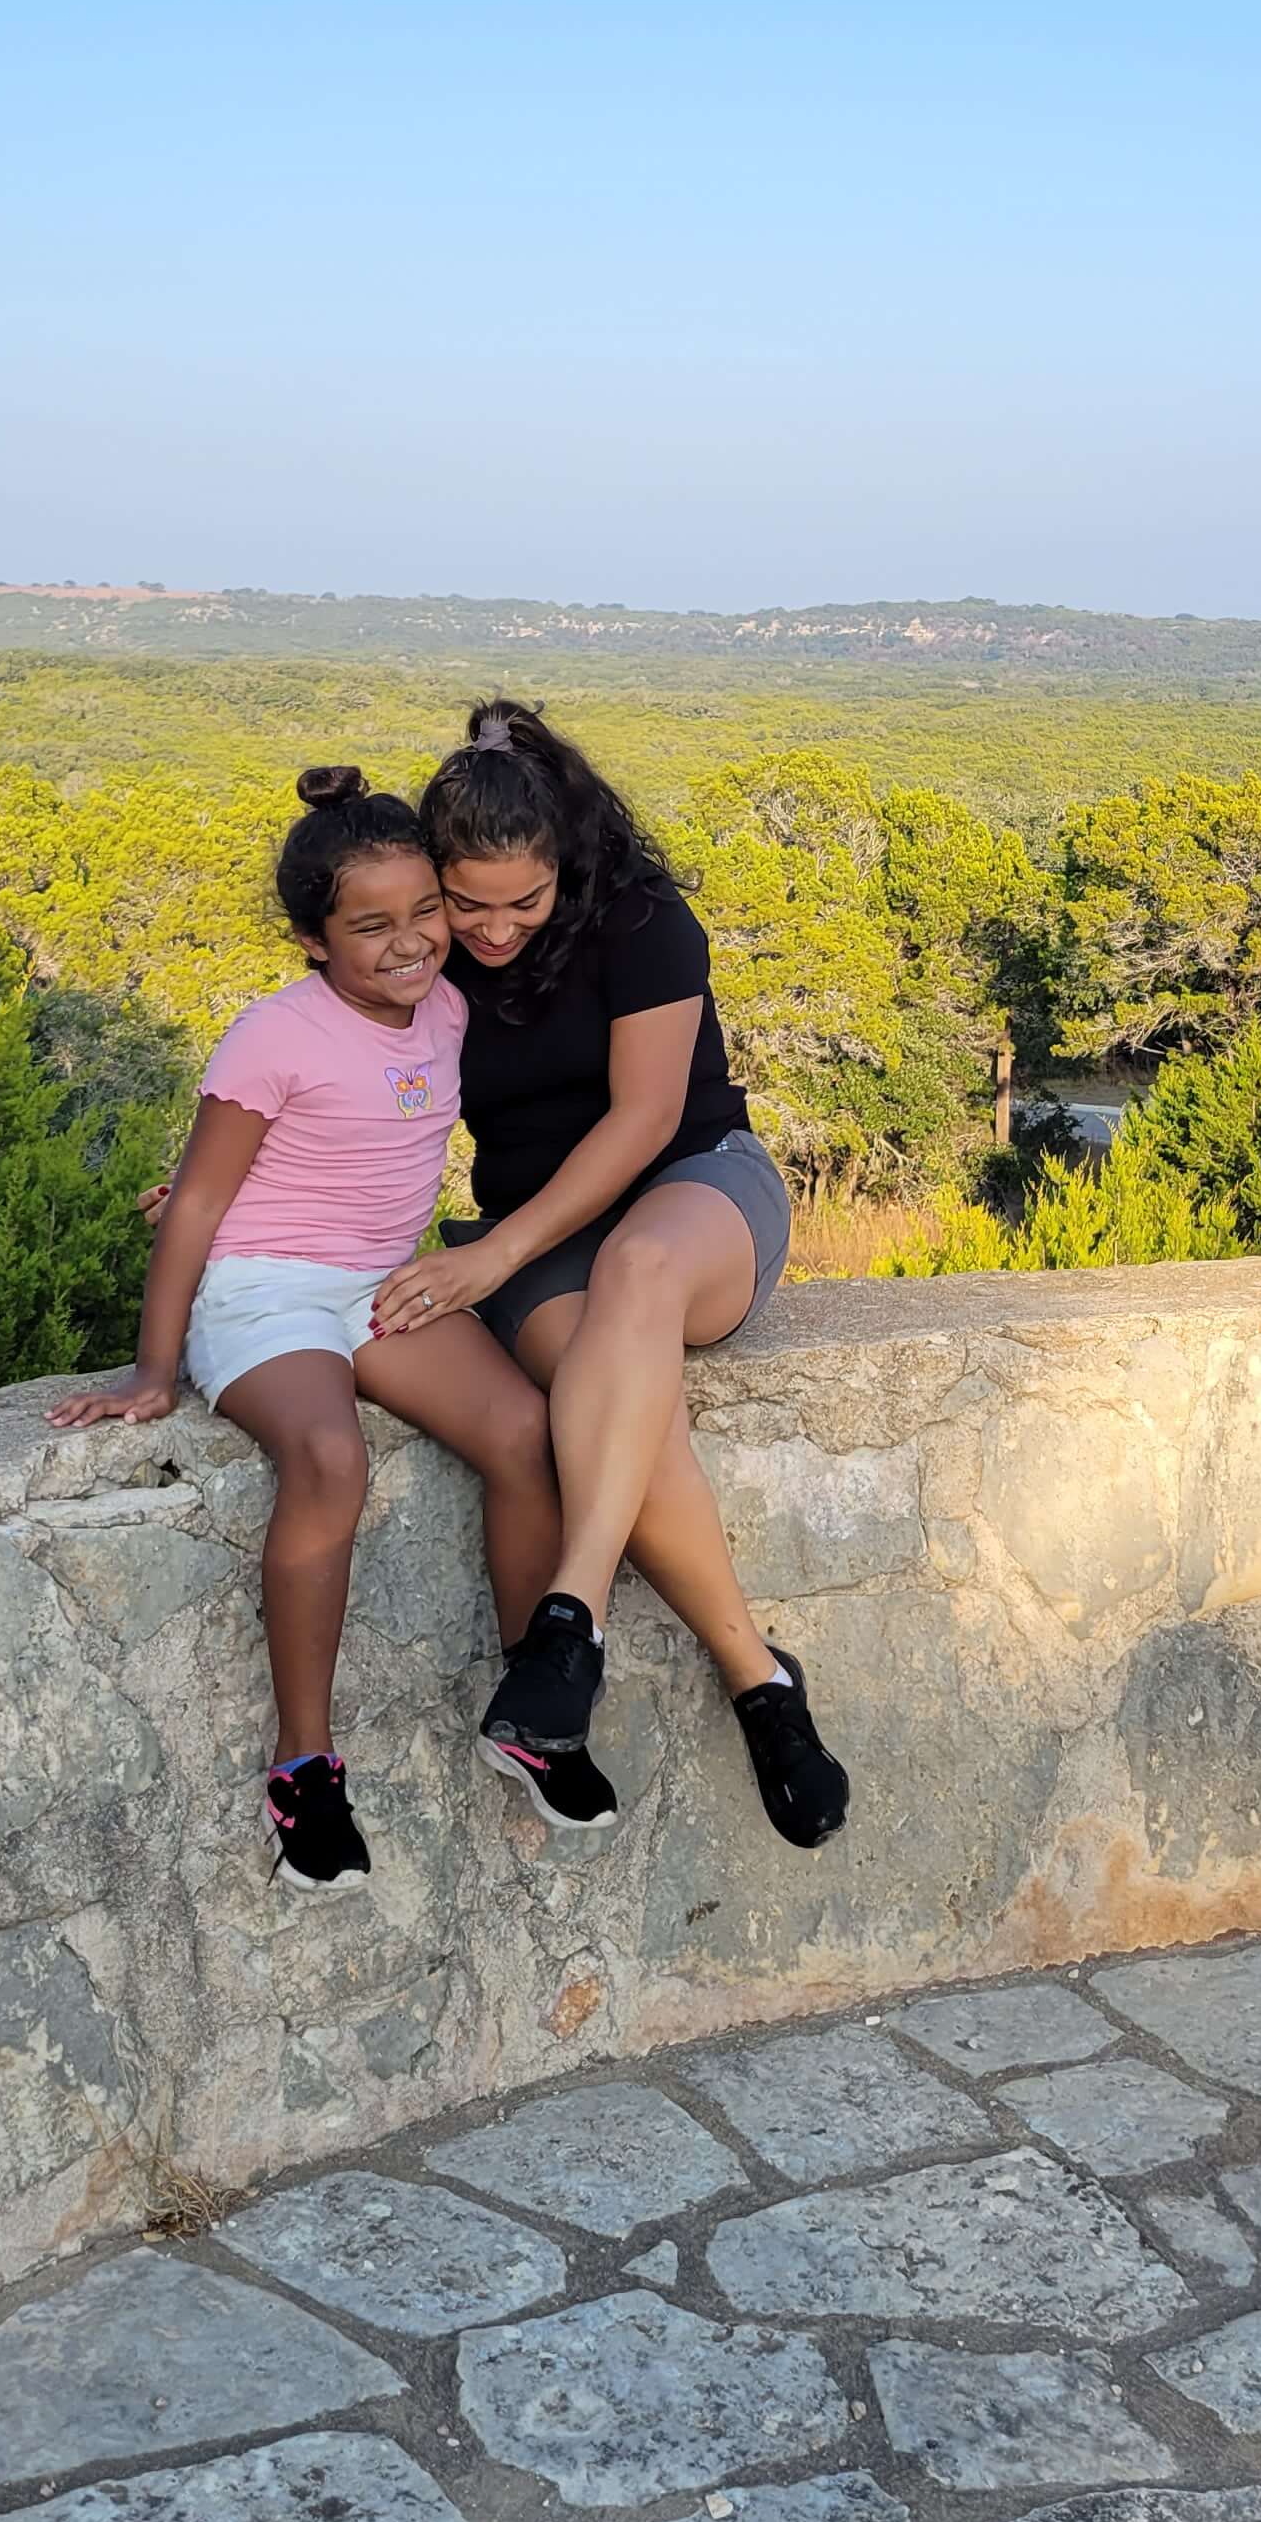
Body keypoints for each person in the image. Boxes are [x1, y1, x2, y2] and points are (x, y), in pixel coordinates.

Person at [47, 765, 597, 1893]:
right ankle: (304, 1762)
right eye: (371, 926)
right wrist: (156, 1369)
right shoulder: (272, 1036)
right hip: (262, 1289)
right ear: (311, 937)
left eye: (425, 912)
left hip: (380, 1282)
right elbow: (200, 1202)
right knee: (327, 1455)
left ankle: (532, 1707)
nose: (412, 943)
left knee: (526, 1431)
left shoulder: (449, 1006)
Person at [369, 699, 850, 1848]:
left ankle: (567, 1621)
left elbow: (643, 1122)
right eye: (466, 904)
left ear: (565, 864)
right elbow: (333, 1084)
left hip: (696, 1193)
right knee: (619, 1404)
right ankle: (761, 1683)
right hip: (542, 1233)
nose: (489, 930)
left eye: (520, 904)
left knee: (635, 1270)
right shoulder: (430, 953)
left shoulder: (641, 921)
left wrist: (492, 1255)